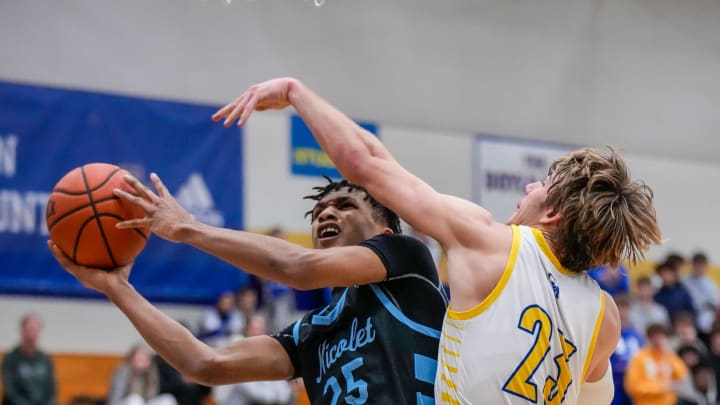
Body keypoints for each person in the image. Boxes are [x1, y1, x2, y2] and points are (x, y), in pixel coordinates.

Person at [212, 77, 663, 404]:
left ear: (554, 212)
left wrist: (295, 91)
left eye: (539, 184)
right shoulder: (605, 317)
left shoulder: (490, 243)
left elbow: (364, 162)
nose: (527, 189)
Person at [48, 177, 447, 404]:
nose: (326, 212)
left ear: (384, 231)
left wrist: (189, 228)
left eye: (345, 205)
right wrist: (117, 289)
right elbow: (204, 364)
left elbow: (296, 268)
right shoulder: (310, 333)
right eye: (318, 211)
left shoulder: (407, 260)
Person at [221, 314, 293, 405]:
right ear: (247, 330)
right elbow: (247, 388)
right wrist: (274, 399)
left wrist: (279, 397)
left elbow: (281, 385)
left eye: (261, 329)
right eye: (254, 328)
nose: (258, 332)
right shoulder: (238, 349)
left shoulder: (269, 350)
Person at [624, 324, 691, 405]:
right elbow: (632, 387)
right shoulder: (639, 358)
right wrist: (660, 387)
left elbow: (682, 375)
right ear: (649, 339)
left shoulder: (669, 356)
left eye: (662, 337)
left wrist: (668, 355)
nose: (659, 341)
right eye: (655, 337)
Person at [1, 313, 56, 405]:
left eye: (35, 330)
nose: (32, 333)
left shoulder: (45, 359)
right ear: (22, 330)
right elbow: (10, 391)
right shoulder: (10, 359)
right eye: (29, 329)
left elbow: (51, 390)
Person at [107, 344, 177, 405]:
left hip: (144, 402)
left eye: (145, 359)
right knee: (135, 400)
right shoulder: (123, 371)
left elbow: (151, 396)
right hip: (124, 402)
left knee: (167, 399)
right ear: (131, 358)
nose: (142, 362)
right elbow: (115, 398)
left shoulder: (151, 372)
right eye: (139, 358)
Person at [683, 252, 719, 342]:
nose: (699, 268)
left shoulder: (710, 284)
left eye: (702, 265)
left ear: (706, 266)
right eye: (697, 265)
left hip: (707, 323)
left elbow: (716, 304)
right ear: (693, 265)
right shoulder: (685, 281)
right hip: (689, 320)